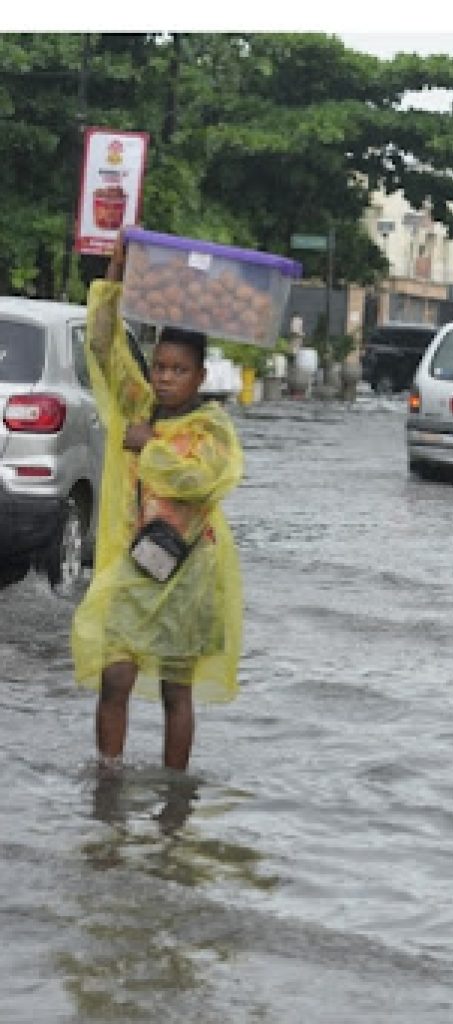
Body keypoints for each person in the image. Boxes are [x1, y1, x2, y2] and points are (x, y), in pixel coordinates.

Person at [71, 234, 245, 771]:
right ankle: (108, 777)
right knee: (115, 674)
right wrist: (114, 278)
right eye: (161, 368)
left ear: (199, 375)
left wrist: (152, 448)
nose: (167, 378)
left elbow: (201, 482)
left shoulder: (211, 428)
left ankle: (174, 799)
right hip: (136, 565)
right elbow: (103, 346)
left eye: (179, 370)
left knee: (176, 690)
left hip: (190, 574)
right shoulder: (136, 405)